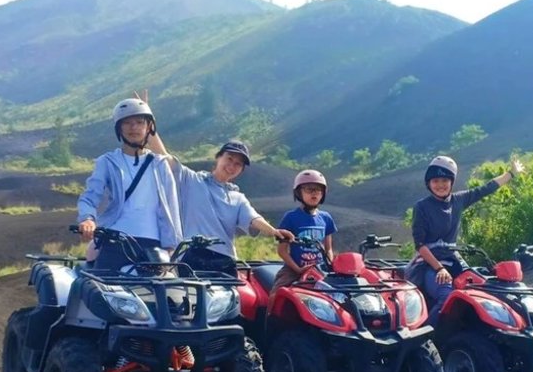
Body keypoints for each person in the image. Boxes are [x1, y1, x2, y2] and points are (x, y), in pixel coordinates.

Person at [146, 132, 293, 272]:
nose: (232, 166)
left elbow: (254, 219)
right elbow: (163, 157)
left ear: (241, 170)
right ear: (218, 157)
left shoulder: (238, 198)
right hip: (190, 257)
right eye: (229, 159)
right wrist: (147, 120)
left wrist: (274, 231)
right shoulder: (191, 181)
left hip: (224, 261)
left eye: (238, 164)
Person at [408, 155, 524, 325]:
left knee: (483, 288)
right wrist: (439, 269)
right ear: (429, 183)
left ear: (452, 182)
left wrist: (511, 174)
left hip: (453, 259)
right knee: (445, 295)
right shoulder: (422, 207)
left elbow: (486, 188)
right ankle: (424, 337)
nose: (440, 185)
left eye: (445, 180)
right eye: (436, 180)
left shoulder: (458, 200)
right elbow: (420, 245)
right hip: (429, 263)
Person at [75, 98, 182, 268]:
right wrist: (87, 219)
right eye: (127, 123)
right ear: (119, 128)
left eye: (140, 122)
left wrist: (172, 246)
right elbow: (90, 196)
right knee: (95, 288)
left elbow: (171, 207)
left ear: (149, 127)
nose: (134, 127)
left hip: (153, 247)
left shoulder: (160, 164)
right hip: (115, 241)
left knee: (166, 293)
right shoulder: (108, 162)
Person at [271, 170, 337, 293]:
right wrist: (298, 269)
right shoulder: (290, 217)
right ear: (298, 193)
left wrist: (329, 265)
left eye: (318, 190)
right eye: (308, 189)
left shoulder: (326, 218)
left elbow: (328, 248)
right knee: (278, 291)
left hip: (320, 269)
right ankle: (269, 312)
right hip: (294, 269)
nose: (314, 193)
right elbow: (282, 251)